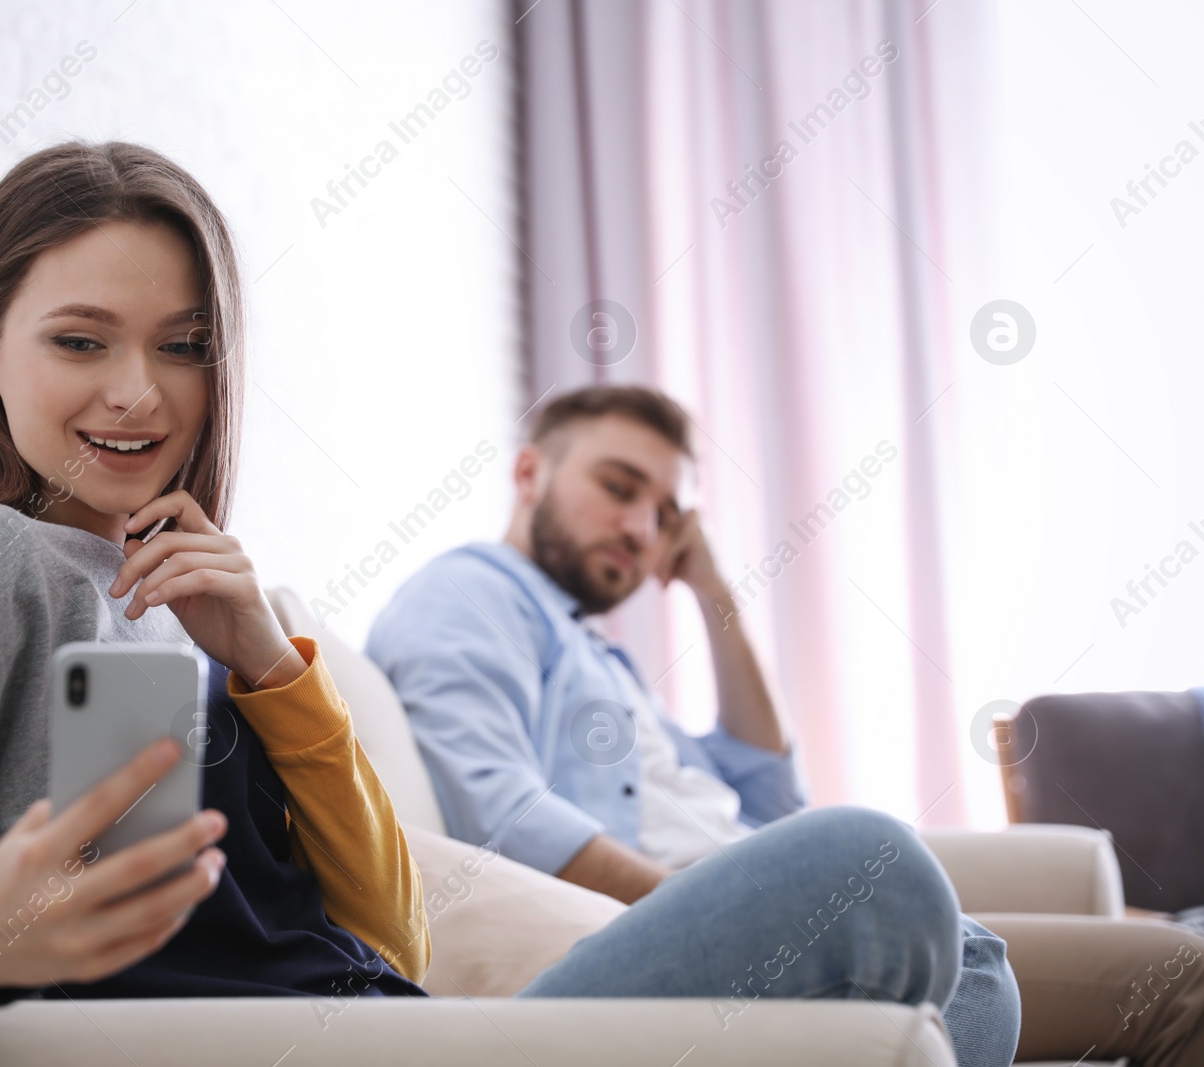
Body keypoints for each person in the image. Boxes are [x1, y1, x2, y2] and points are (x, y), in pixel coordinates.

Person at [0, 144, 985, 1047]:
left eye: (183, 346)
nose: (136, 394)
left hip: (398, 1024)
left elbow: (395, 935)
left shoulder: (193, 598)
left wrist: (272, 667)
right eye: (79, 339)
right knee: (869, 865)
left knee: (973, 976)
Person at [367, 384, 1204, 1066]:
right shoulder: (469, 594)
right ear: (528, 474)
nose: (640, 528)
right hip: (685, 907)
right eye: (619, 488)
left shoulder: (595, 652)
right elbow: (499, 810)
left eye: (664, 514)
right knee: (1088, 973)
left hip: (742, 877)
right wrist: (719, 902)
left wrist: (714, 592)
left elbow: (767, 784)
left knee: (1135, 953)